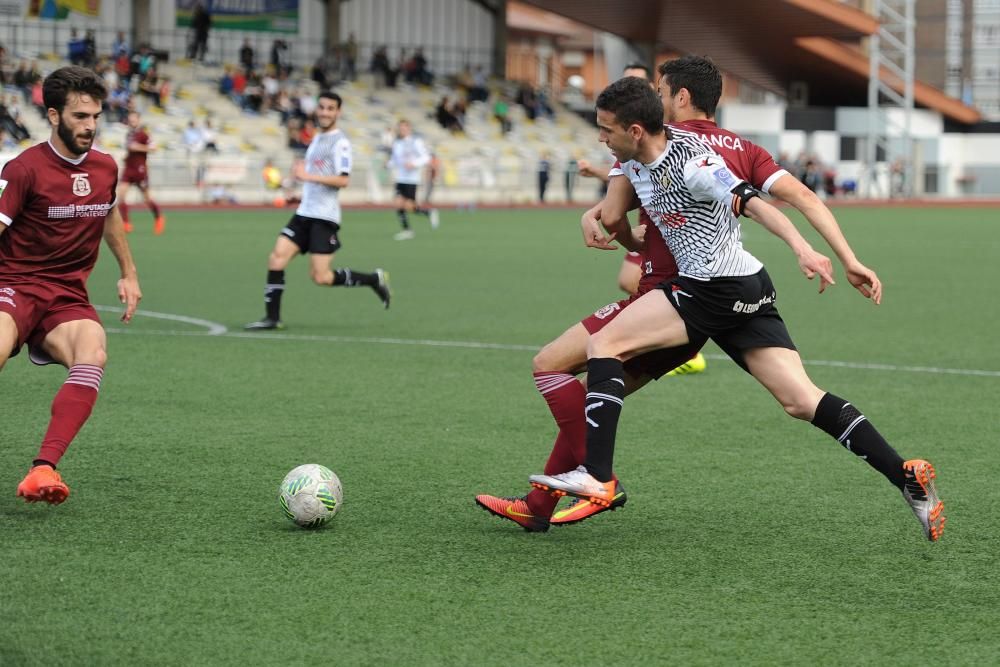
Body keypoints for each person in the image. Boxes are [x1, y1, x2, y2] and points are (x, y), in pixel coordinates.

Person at [525, 76, 945, 542]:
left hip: (712, 288)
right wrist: (598, 212)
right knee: (801, 400)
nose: (601, 138)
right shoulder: (636, 158)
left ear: (637, 130)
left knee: (606, 343)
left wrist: (804, 249)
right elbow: (626, 195)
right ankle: (904, 476)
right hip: (746, 288)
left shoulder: (696, 163)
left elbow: (756, 204)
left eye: (606, 129)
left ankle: (598, 476)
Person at [0, 66, 142, 505]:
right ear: (54, 115)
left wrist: (129, 271)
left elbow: (109, 213)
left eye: (96, 116)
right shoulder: (23, 169)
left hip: (66, 297)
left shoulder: (105, 167)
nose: (91, 126)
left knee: (93, 351)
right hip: (14, 286)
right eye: (81, 116)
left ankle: (43, 469)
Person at [245, 91, 391, 331]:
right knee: (276, 258)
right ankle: (272, 318)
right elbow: (317, 183)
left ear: (338, 112)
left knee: (321, 277)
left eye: (330, 108)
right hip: (304, 212)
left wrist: (306, 176)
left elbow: (343, 181)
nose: (324, 112)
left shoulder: (340, 143)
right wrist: (298, 194)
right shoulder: (316, 140)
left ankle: (373, 279)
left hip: (324, 218)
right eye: (321, 107)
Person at [387, 119, 438, 240]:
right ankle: (407, 230)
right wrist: (388, 164)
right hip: (400, 178)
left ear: (409, 129)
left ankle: (429, 213)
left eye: (405, 128)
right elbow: (395, 159)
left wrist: (414, 164)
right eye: (400, 128)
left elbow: (426, 157)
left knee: (410, 206)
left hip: (412, 179)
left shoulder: (416, 141)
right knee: (398, 203)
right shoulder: (397, 143)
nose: (402, 130)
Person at [118, 110, 166, 235]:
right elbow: (130, 148)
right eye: (130, 119)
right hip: (129, 168)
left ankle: (159, 217)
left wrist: (138, 147)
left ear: (138, 120)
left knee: (146, 198)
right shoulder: (129, 134)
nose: (132, 122)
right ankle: (126, 223)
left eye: (134, 119)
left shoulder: (144, 134)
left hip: (140, 170)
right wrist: (127, 156)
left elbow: (154, 148)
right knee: (121, 195)